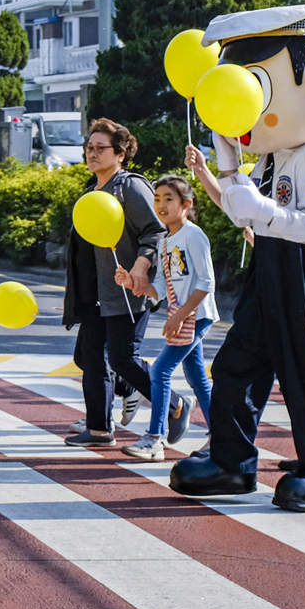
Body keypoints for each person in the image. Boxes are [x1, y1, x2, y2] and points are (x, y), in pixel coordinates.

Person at [169, 3, 305, 513]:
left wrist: (262, 211)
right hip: (270, 270)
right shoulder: (270, 157)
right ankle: (232, 461)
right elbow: (247, 211)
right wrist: (227, 169)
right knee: (238, 363)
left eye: (254, 89)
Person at [60, 119, 165, 447]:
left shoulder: (129, 187)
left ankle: (174, 404)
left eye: (100, 148)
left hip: (126, 289)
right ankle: (99, 429)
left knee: (122, 359)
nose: (92, 153)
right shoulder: (92, 191)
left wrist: (141, 266)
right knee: (89, 358)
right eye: (89, 148)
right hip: (94, 292)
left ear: (120, 154)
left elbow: (156, 230)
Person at [120, 174, 216, 461]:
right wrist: (133, 283)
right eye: (157, 199)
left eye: (169, 199)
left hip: (196, 315)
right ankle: (221, 436)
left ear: (186, 204)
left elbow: (206, 283)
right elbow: (160, 286)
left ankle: (154, 439)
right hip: (182, 315)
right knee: (197, 377)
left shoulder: (193, 235)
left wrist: (181, 317)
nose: (161, 205)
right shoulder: (165, 241)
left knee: (160, 370)